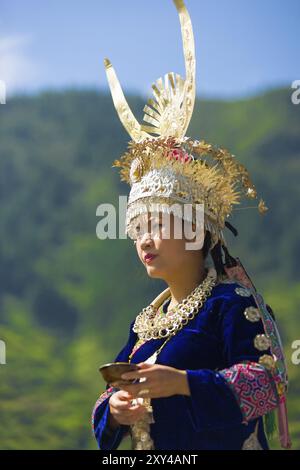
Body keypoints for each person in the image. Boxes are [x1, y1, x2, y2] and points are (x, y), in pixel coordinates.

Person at [91, 0, 291, 450]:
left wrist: (183, 383)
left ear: (198, 232)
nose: (145, 239)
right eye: (138, 228)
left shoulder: (230, 303)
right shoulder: (146, 323)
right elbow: (106, 399)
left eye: (159, 225)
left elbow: (269, 382)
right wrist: (115, 410)